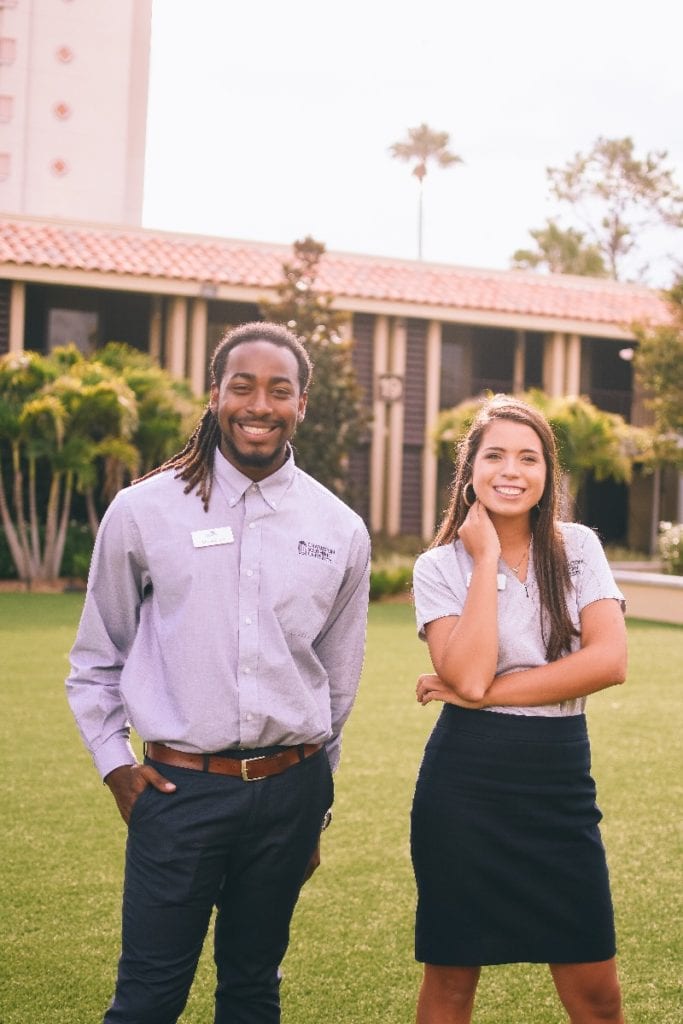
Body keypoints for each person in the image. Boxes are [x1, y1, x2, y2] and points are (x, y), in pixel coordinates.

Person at [66, 321, 371, 1024]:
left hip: (290, 794)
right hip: (179, 792)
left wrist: (314, 806)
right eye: (242, 387)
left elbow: (338, 680)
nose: (258, 405)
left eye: (278, 390)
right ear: (214, 395)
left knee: (251, 991)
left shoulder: (338, 528)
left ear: (301, 404)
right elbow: (94, 660)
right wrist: (117, 768)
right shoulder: (143, 511)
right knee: (146, 1001)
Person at [410, 394, 627, 1024]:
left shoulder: (579, 547)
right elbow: (470, 673)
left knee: (597, 992)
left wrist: (481, 693)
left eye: (528, 458)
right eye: (496, 455)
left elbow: (608, 662)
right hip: (466, 786)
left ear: (547, 474)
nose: (512, 470)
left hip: (559, 779)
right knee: (451, 981)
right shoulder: (439, 566)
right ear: (470, 469)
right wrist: (482, 559)